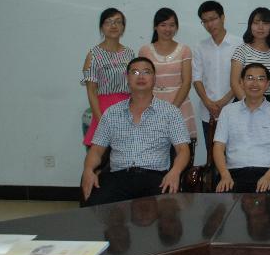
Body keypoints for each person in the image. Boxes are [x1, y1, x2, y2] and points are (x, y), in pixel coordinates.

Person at [81, 57, 190, 206]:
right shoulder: (112, 113)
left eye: (146, 72)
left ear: (154, 79)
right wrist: (88, 170)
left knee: (167, 211)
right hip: (118, 177)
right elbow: (96, 150)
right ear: (127, 78)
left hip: (155, 178)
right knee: (93, 204)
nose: (141, 76)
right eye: (135, 72)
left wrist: (175, 172)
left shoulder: (170, 112)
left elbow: (183, 150)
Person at [214, 63, 270, 193]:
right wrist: (224, 175)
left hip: (267, 172)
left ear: (267, 84)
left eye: (260, 79)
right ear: (241, 82)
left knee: (265, 202)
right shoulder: (228, 111)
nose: (255, 83)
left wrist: (269, 176)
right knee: (224, 202)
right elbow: (218, 147)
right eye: (250, 78)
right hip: (233, 174)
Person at [138, 7, 197, 140]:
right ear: (155, 27)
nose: (168, 29)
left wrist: (171, 110)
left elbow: (186, 82)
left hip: (179, 106)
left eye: (172, 25)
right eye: (163, 25)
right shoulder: (145, 51)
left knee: (181, 148)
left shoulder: (185, 50)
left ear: (177, 27)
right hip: (153, 106)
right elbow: (142, 82)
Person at [82, 7, 136, 147]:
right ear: (101, 27)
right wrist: (102, 121)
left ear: (123, 28)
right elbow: (91, 91)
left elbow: (134, 85)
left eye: (118, 22)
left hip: (127, 110)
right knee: (101, 157)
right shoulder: (93, 55)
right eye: (108, 22)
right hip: (103, 111)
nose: (113, 25)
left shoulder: (130, 54)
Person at [192, 1, 240, 154]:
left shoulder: (239, 44)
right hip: (208, 112)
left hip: (234, 108)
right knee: (212, 157)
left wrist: (222, 102)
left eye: (213, 19)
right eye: (205, 21)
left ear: (222, 17)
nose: (209, 24)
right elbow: (196, 78)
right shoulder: (200, 47)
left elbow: (241, 79)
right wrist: (208, 103)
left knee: (235, 156)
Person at [230, 7, 270, 103]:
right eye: (256, 23)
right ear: (250, 25)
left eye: (265, 23)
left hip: (269, 103)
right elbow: (235, 83)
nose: (260, 27)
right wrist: (250, 105)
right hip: (245, 101)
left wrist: (265, 107)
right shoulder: (241, 50)